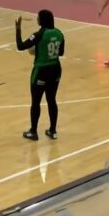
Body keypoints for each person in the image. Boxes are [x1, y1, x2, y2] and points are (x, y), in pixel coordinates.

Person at [15, 10, 65, 141]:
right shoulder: (59, 33)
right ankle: (53, 130)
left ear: (42, 20)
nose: (36, 19)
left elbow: (20, 46)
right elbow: (61, 53)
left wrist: (18, 29)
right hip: (55, 70)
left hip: (41, 70)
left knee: (36, 102)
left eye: (38, 17)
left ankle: (33, 131)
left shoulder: (38, 34)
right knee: (51, 100)